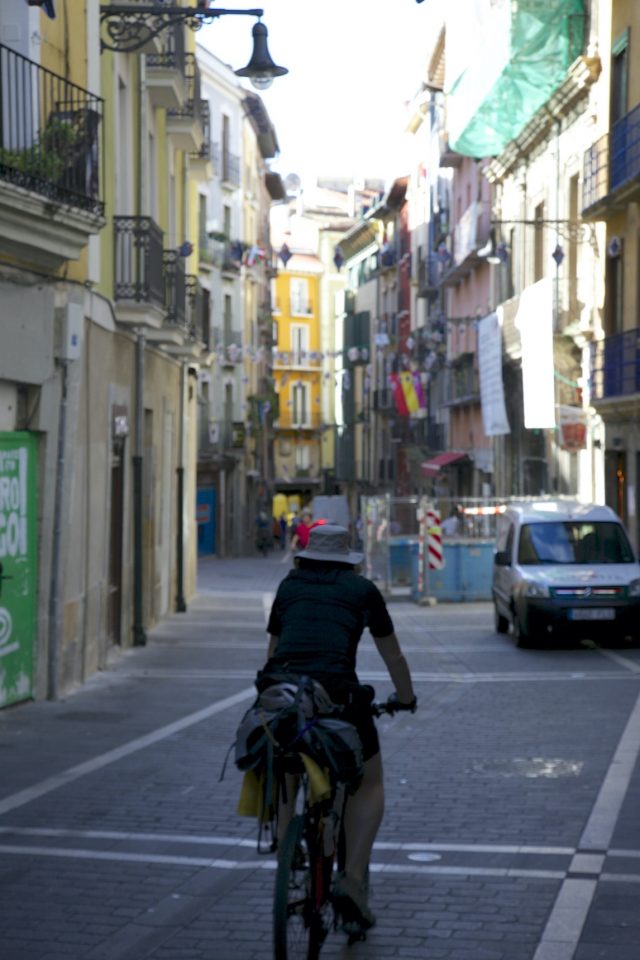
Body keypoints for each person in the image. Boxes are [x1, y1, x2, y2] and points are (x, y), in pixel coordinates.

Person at [260, 523, 416, 930]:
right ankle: (351, 878)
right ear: (348, 560)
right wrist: (406, 698)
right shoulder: (361, 591)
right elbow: (394, 656)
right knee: (369, 782)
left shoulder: (288, 588)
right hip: (338, 699)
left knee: (286, 750)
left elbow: (274, 653)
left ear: (306, 556)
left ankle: (285, 845)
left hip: (283, 693)